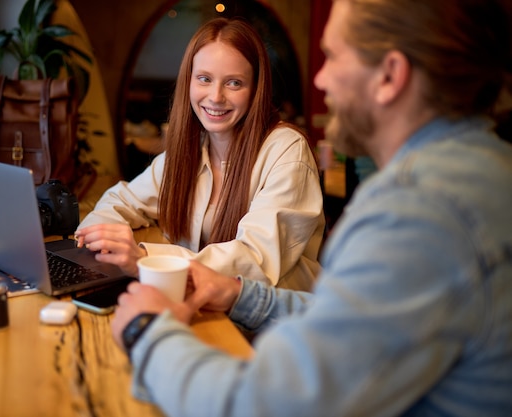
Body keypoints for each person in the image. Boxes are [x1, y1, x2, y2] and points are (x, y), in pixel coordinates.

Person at [109, 0, 512, 416]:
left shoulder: (420, 211)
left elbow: (265, 405)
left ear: (390, 76)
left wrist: (147, 332)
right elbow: (349, 319)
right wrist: (238, 294)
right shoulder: (483, 169)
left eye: (333, 56)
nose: (321, 78)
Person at [75, 18, 324, 290]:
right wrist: (95, 238)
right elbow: (121, 200)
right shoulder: (190, 150)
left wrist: (146, 258)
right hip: (206, 306)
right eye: (204, 79)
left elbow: (254, 260)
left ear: (256, 90)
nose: (216, 97)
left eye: (234, 83)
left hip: (274, 325)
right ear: (189, 82)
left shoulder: (287, 151)